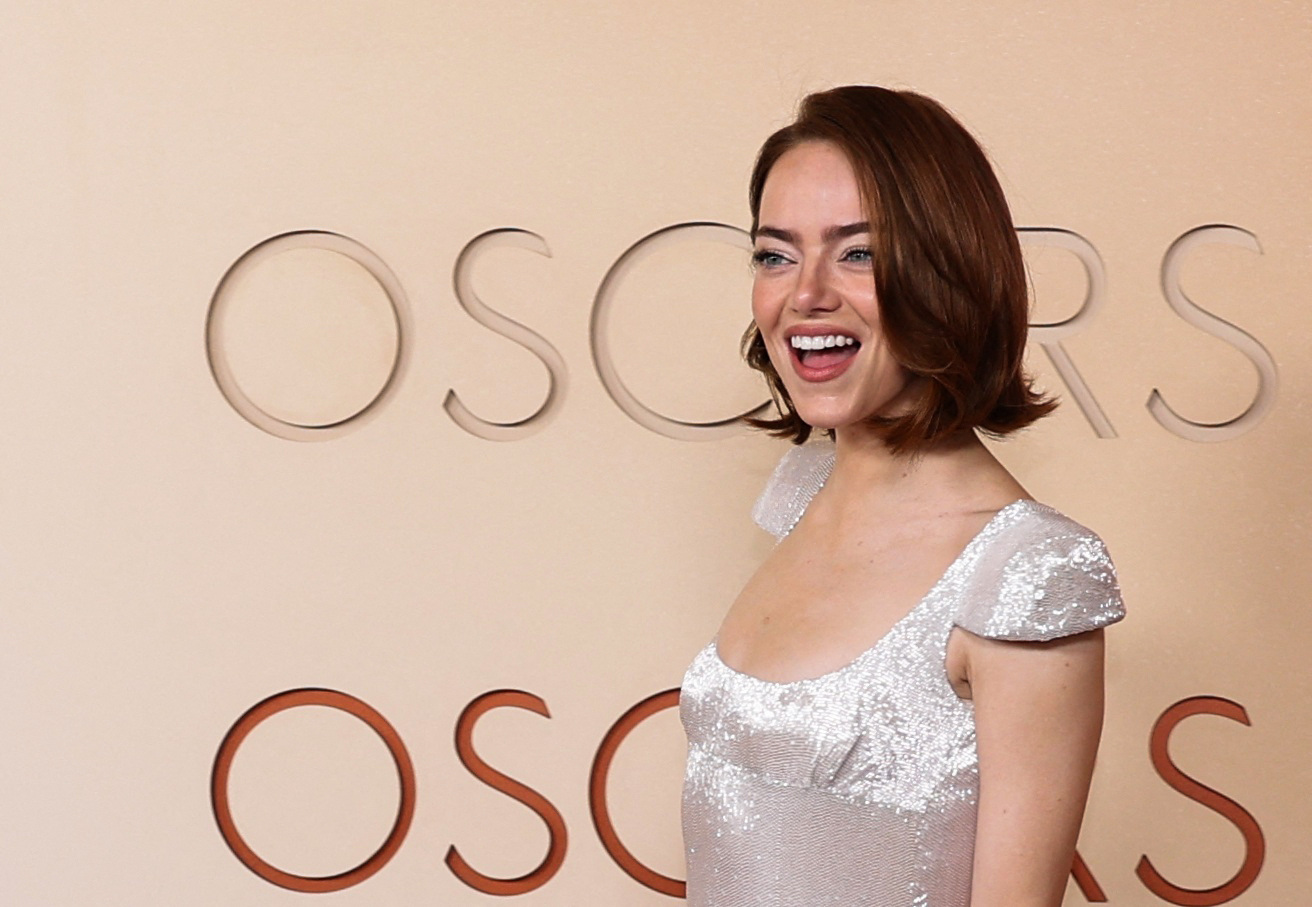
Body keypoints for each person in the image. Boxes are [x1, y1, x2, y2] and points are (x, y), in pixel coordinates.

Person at [680, 86, 1126, 907]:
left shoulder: (1027, 572)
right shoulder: (798, 499)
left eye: (858, 254)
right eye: (776, 254)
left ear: (947, 271)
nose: (805, 294)